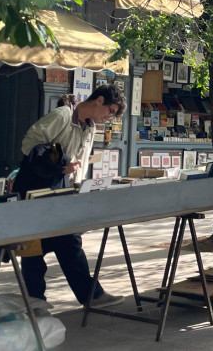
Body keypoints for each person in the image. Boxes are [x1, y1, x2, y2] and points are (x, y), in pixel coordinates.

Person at [18, 84, 126, 309]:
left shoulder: (89, 127)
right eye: (110, 111)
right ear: (99, 100)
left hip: (64, 191)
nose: (109, 117)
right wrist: (61, 162)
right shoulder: (63, 115)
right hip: (36, 188)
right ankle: (36, 300)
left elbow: (79, 163)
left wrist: (80, 189)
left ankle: (90, 296)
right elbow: (30, 145)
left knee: (70, 242)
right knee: (34, 247)